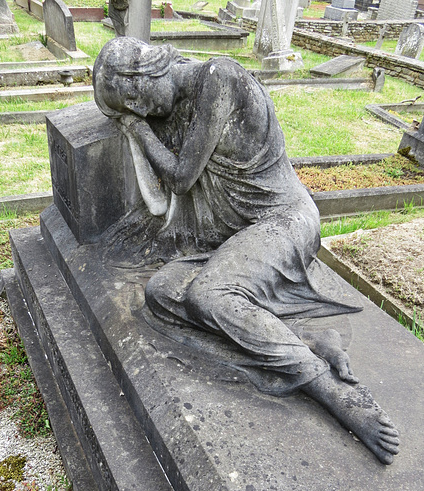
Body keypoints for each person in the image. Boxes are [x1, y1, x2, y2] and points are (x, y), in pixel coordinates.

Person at [93, 38, 400, 464]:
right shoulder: (174, 104)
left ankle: (330, 391)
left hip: (283, 221)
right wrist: (138, 127)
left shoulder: (221, 78)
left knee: (209, 296)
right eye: (130, 108)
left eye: (133, 100)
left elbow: (181, 179)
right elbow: (160, 200)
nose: (140, 112)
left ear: (146, 75)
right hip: (234, 235)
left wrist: (140, 131)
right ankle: (306, 341)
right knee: (161, 292)